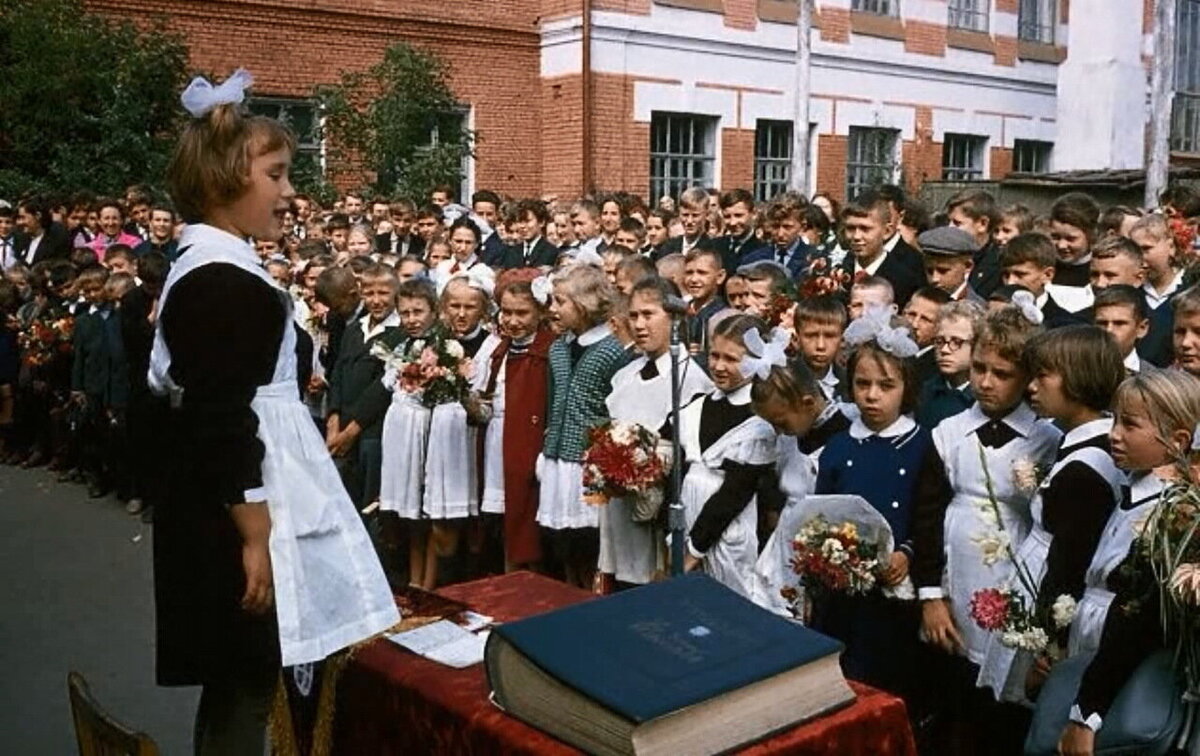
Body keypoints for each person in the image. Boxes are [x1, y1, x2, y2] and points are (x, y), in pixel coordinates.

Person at [150, 72, 396, 755]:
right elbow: (219, 413)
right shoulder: (220, 279)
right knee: (246, 683)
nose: (290, 193)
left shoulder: (216, 267)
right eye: (277, 175)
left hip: (243, 492)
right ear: (228, 178)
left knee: (243, 683)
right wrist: (253, 530)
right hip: (239, 506)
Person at [911, 306, 1061, 753]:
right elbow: (926, 516)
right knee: (952, 699)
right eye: (979, 368)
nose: (986, 382)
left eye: (1003, 373)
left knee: (1001, 709)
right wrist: (930, 596)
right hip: (956, 576)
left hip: (1014, 575)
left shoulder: (1045, 438)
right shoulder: (949, 432)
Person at [1051, 370, 1200, 755]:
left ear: (1178, 440)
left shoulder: (1173, 516)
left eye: (1129, 424)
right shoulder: (1131, 488)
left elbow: (1137, 624)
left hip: (1116, 666)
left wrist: (1087, 713)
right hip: (1089, 637)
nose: (1114, 434)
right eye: (1114, 419)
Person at [977, 326, 1125, 705]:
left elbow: (1071, 562)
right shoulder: (1080, 442)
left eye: (1043, 376)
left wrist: (1049, 644)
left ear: (1079, 379)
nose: (1031, 387)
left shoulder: (1086, 469)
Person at [812, 306, 930, 700]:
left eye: (886, 385)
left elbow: (930, 515)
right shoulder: (840, 446)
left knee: (885, 683)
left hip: (894, 592)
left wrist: (908, 553)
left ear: (906, 387)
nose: (872, 395)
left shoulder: (922, 446)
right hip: (841, 593)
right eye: (863, 384)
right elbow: (820, 513)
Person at [600, 277, 713, 589]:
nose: (638, 324)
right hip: (619, 507)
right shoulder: (625, 375)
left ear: (673, 317)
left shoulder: (692, 379)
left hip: (661, 513)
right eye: (633, 316)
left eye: (648, 315)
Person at [539, 264, 632, 587]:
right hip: (559, 461)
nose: (553, 309)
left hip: (593, 467)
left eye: (560, 301)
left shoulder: (613, 351)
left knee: (594, 541)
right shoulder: (558, 348)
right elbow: (552, 402)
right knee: (564, 542)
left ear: (584, 304)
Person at [679, 314, 779, 596]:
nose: (719, 366)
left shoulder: (759, 417)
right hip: (688, 518)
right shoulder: (698, 405)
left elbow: (735, 493)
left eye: (732, 359)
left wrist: (694, 549)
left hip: (728, 529)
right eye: (714, 356)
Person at [421, 272, 501, 587]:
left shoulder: (492, 347)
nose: (461, 313)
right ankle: (445, 588)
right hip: (443, 440)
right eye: (455, 305)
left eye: (470, 306)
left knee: (475, 525)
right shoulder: (436, 341)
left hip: (474, 439)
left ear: (483, 309)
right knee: (443, 522)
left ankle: (471, 588)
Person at [477, 271, 556, 572]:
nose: (512, 321)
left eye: (521, 313)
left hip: (528, 446)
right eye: (506, 313)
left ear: (540, 312)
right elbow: (490, 400)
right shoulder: (500, 350)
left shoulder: (547, 351)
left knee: (526, 519)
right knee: (505, 518)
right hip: (499, 443)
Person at [324, 264, 405, 508]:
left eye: (383, 293)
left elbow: (380, 390)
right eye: (369, 293)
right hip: (342, 425)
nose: (376, 300)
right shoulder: (353, 329)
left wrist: (351, 431)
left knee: (368, 500)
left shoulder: (400, 333)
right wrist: (334, 419)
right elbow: (337, 372)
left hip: (371, 431)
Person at [840, 192, 925, 309]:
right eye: (850, 228)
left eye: (865, 229)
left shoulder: (905, 280)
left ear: (887, 231)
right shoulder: (839, 272)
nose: (856, 236)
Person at [915, 300, 985, 429]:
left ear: (978, 344)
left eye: (957, 342)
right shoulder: (922, 393)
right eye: (939, 341)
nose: (944, 350)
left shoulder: (985, 396)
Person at [999, 233, 1080, 329]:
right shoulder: (992, 316)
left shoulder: (1064, 326)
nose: (1010, 282)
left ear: (1047, 275)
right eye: (1006, 275)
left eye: (1020, 274)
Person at [945, 190, 1001, 298]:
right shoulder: (944, 256)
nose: (949, 228)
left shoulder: (1000, 265)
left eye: (957, 223)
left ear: (983, 224)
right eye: (949, 222)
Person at [791, 295, 847, 404]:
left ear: (842, 340)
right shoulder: (783, 383)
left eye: (830, 336)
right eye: (811, 336)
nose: (820, 346)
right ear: (796, 340)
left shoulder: (850, 383)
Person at [1091, 285, 1151, 376]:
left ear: (1141, 328)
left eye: (1119, 323)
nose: (1109, 330)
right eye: (1102, 323)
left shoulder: (1158, 381)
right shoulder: (1073, 373)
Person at [1048, 193, 1101, 291]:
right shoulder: (1044, 267)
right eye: (1055, 237)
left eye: (1071, 239)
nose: (1061, 245)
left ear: (1090, 235)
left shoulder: (1099, 274)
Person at [682, 247, 726, 363]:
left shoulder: (724, 316)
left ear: (720, 277)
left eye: (702, 273)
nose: (694, 279)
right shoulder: (680, 311)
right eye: (689, 273)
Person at [904, 286, 952, 388]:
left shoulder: (936, 371)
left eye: (925, 319)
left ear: (941, 327)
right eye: (912, 314)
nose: (914, 324)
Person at [920, 226, 981, 303]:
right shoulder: (915, 299)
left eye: (943, 271)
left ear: (968, 266)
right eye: (929, 271)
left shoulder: (978, 310)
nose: (934, 279)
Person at [655, 187, 718, 260]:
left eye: (695, 215)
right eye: (685, 215)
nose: (689, 221)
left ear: (707, 215)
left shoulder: (713, 247)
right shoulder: (669, 247)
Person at [716, 189, 765, 274]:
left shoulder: (762, 251)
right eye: (727, 217)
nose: (732, 222)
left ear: (753, 214)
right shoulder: (714, 247)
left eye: (738, 215)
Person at [499, 199, 557, 269]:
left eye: (527, 221)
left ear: (541, 222)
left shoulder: (551, 252)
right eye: (520, 221)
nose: (523, 226)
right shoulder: (511, 252)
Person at [15, 196, 72, 265]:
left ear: (38, 216)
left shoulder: (57, 238)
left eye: (23, 218)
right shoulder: (21, 238)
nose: (19, 222)